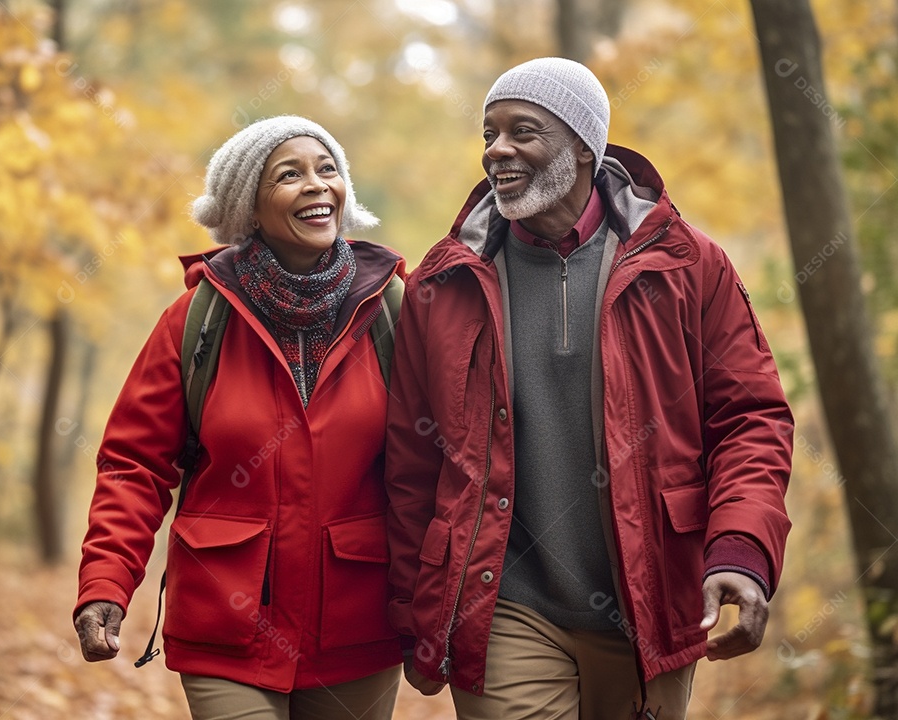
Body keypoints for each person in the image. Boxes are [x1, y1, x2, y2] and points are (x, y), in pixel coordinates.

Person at [384, 57, 793, 719]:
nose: (497, 150)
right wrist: (415, 612)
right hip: (504, 609)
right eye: (488, 133)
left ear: (581, 146)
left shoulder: (687, 264)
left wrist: (741, 548)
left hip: (649, 604)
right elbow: (410, 462)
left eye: (522, 131)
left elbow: (751, 419)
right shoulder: (444, 281)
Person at [74, 116, 404, 720]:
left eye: (327, 170)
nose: (317, 185)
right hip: (227, 625)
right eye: (290, 174)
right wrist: (106, 583)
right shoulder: (198, 316)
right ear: (248, 206)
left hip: (358, 629)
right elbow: (135, 465)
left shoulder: (391, 310)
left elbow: (434, 464)